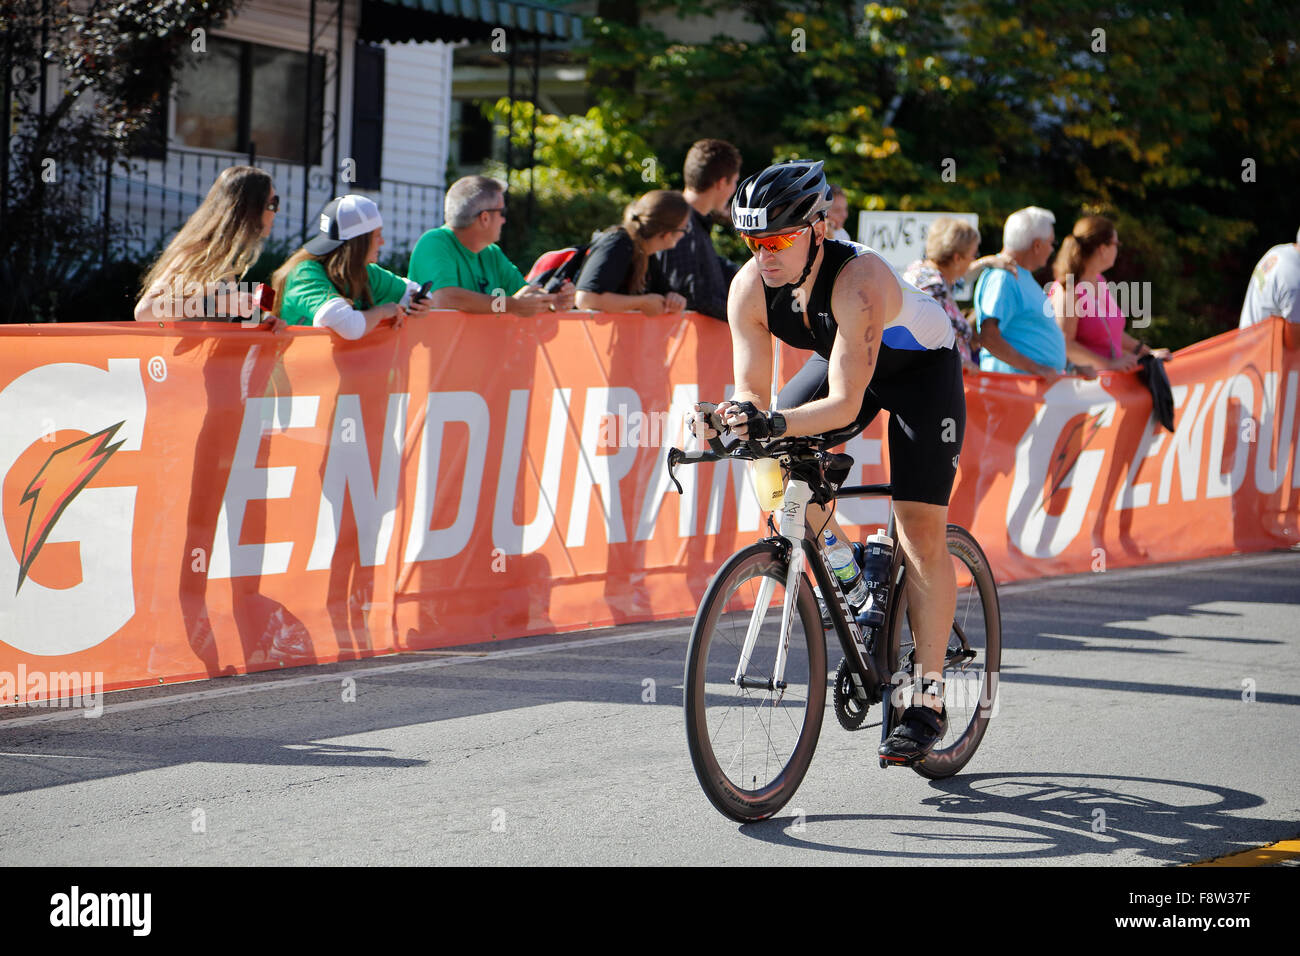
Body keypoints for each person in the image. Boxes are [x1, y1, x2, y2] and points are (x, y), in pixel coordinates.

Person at [688, 159, 965, 765]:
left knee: (919, 527)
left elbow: (841, 403)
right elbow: (754, 394)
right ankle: (851, 573)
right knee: (770, 459)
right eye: (754, 241)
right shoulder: (749, 288)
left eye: (779, 239)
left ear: (817, 227)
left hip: (919, 372)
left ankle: (928, 697)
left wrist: (774, 421)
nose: (765, 254)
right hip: (848, 365)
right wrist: (729, 418)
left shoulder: (857, 279)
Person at [134, 165, 282, 325]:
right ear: (249, 209)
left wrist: (261, 328)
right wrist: (219, 303)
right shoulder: (198, 252)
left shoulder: (222, 257)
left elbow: (212, 328)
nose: (277, 209)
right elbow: (145, 310)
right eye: (272, 204)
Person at [271, 194, 431, 338]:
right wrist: (382, 312)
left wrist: (420, 305)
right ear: (358, 243)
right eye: (377, 235)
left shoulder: (367, 272)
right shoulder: (304, 273)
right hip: (292, 370)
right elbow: (350, 327)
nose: (383, 242)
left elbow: (417, 293)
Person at [408, 176, 572, 316]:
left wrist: (553, 300)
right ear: (485, 218)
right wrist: (511, 305)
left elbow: (523, 298)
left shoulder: (491, 253)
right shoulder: (435, 242)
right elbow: (445, 298)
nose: (504, 220)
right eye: (502, 212)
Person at [973, 206, 1091, 382]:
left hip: (1026, 392)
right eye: (1051, 243)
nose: (1052, 249)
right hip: (1011, 393)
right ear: (1036, 245)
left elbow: (1033, 335)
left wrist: (1070, 366)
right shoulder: (1003, 277)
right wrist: (1036, 368)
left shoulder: (1018, 275)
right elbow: (988, 337)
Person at [903, 217, 1018, 372]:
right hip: (932, 382)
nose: (974, 260)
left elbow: (964, 275)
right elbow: (926, 341)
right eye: (973, 254)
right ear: (957, 258)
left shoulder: (929, 276)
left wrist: (988, 262)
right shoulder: (931, 287)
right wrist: (963, 362)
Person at [1049, 215, 1163, 371]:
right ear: (1103, 249)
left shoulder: (1099, 280)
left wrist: (1148, 353)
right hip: (1083, 389)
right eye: (1116, 244)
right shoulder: (1068, 289)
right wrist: (1108, 365)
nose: (1118, 249)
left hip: (1109, 386)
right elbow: (1064, 344)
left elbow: (1112, 335)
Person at [655, 138, 743, 321]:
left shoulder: (692, 223)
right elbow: (696, 297)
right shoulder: (681, 225)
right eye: (734, 181)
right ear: (721, 183)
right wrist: (748, 317)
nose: (734, 189)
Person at [573, 190, 692, 314]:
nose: (684, 234)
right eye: (684, 228)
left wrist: (673, 298)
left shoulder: (646, 254)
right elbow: (585, 299)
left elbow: (660, 294)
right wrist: (642, 302)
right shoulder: (618, 243)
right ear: (667, 234)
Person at [1239, 226, 1300, 327]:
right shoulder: (1295, 282)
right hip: (1263, 342)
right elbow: (1293, 341)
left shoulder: (1279, 252)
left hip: (1248, 339)